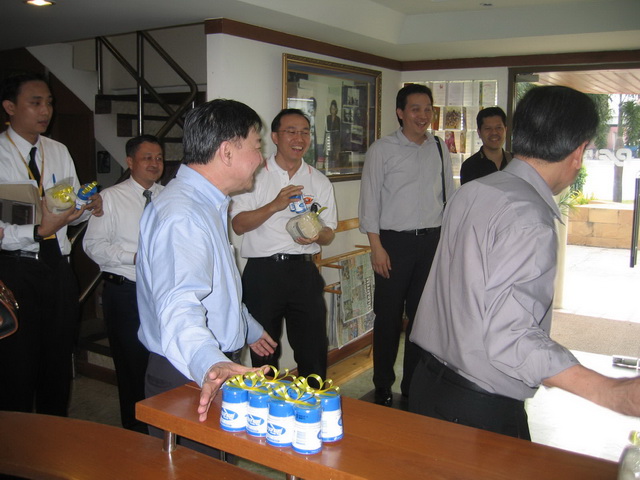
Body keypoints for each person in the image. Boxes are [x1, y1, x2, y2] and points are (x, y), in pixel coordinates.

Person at [409, 85, 640, 439]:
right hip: (477, 408)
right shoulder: (528, 216)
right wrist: (612, 392)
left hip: (427, 384)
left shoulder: (473, 191)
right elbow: (511, 337)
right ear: (578, 152)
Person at [136, 99, 276, 429]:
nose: (260, 159)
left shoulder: (204, 203)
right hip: (188, 373)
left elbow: (213, 285)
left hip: (203, 366)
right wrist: (211, 363)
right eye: (257, 146)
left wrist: (246, 326)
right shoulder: (183, 214)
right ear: (226, 152)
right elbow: (179, 303)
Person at [0, 72, 103, 416]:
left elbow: (68, 214)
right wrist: (37, 230)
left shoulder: (57, 151)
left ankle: (53, 436)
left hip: (57, 267)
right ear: (10, 107)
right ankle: (16, 441)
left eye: (49, 103)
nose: (46, 111)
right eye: (35, 103)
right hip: (14, 270)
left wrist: (85, 208)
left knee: (57, 363)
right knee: (16, 366)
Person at [358, 84, 455, 406]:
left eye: (427, 109)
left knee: (422, 319)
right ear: (401, 113)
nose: (423, 115)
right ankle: (383, 385)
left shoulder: (439, 148)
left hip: (431, 242)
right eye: (415, 109)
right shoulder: (382, 150)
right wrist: (376, 247)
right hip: (393, 244)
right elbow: (369, 201)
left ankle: (413, 386)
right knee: (387, 318)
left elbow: (448, 197)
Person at [231, 108, 337, 384]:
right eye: (291, 131)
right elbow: (238, 225)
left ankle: (313, 404)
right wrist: (274, 205)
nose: (299, 138)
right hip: (263, 273)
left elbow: (329, 233)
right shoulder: (254, 176)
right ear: (275, 137)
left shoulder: (318, 180)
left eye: (305, 132)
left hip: (304, 272)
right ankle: (265, 408)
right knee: (264, 351)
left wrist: (317, 235)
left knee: (313, 349)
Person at [83, 134, 164, 433]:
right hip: (126, 292)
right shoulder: (111, 198)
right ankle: (135, 433)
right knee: (131, 367)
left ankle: (161, 429)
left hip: (161, 293)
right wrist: (135, 257)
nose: (155, 163)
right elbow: (93, 245)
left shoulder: (170, 196)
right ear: (130, 161)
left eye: (159, 158)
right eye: (147, 158)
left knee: (162, 365)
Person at [459, 106, 512, 185]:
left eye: (498, 127)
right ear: (479, 132)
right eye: (488, 128)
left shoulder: (515, 162)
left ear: (505, 130)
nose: (494, 132)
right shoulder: (470, 166)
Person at [325, 99, 341, 169]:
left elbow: (339, 133)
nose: (333, 110)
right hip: (329, 140)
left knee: (335, 158)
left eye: (334, 109)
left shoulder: (338, 119)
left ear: (336, 109)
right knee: (328, 158)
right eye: (331, 109)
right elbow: (326, 130)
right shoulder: (328, 118)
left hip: (336, 141)